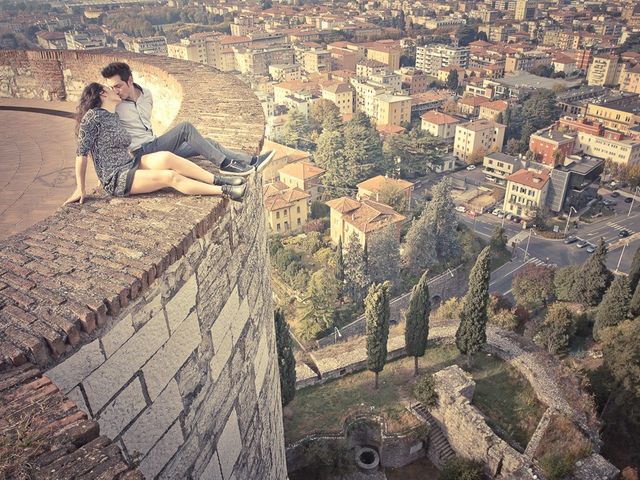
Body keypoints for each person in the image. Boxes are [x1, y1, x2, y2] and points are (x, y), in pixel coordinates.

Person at [64, 83, 247, 204]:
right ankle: (225, 190)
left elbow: (108, 149)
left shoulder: (113, 116)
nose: (115, 90)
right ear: (103, 93)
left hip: (129, 164)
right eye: (111, 88)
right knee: (170, 177)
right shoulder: (92, 117)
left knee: (168, 157)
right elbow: (81, 154)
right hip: (116, 178)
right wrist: (81, 188)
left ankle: (219, 178)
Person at [101, 62, 274, 176]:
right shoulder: (114, 105)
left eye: (118, 86)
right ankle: (225, 164)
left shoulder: (147, 95)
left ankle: (251, 161)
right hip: (141, 153)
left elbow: (146, 126)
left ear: (130, 81)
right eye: (111, 87)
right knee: (185, 128)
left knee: (208, 143)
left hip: (155, 145)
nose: (115, 91)